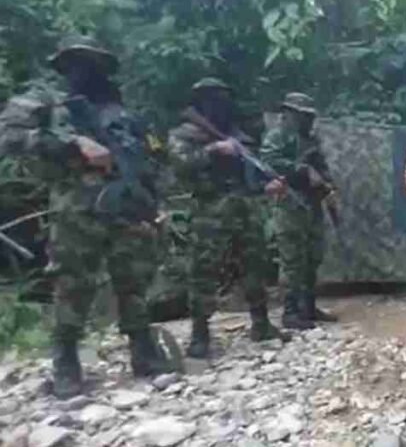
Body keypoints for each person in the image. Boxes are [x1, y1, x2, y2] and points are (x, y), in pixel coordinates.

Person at [0, 35, 175, 398]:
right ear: (63, 65)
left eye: (92, 62)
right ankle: (66, 360)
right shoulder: (45, 100)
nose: (85, 69)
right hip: (76, 206)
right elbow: (9, 136)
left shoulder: (122, 112)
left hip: (127, 204)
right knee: (72, 282)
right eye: (76, 62)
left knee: (134, 278)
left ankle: (143, 350)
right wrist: (74, 144)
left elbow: (152, 159)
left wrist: (153, 199)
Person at [168, 77, 288, 358]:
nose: (220, 105)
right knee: (204, 271)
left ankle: (261, 324)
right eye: (212, 98)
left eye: (223, 99)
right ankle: (199, 335)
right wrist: (212, 150)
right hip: (209, 209)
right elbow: (180, 165)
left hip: (245, 207)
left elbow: (251, 174)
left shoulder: (238, 135)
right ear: (200, 102)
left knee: (254, 264)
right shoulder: (185, 133)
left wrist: (267, 186)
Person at [261, 92, 338, 330]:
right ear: (290, 114)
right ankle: (290, 312)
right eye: (303, 115)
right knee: (292, 260)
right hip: (289, 204)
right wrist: (302, 170)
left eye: (309, 116)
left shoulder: (310, 140)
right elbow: (268, 161)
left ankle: (309, 307)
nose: (308, 120)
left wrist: (329, 187)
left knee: (313, 256)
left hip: (311, 203)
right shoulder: (278, 136)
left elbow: (322, 167)